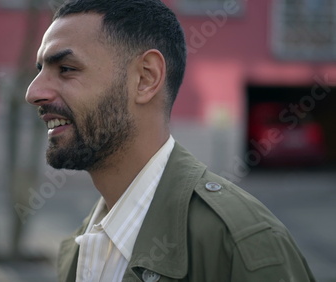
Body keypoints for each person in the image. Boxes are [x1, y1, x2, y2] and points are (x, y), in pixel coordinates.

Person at [25, 0, 315, 281]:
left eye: (66, 68)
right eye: (40, 71)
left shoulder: (239, 245)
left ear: (145, 78)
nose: (33, 92)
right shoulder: (78, 251)